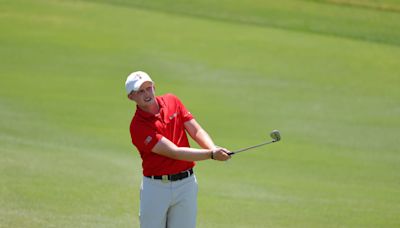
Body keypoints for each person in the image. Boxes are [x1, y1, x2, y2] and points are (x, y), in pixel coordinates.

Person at [125, 71, 231, 228]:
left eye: (149, 88)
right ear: (131, 97)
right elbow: (174, 152)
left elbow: (196, 130)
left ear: (154, 86)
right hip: (156, 188)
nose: (147, 93)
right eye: (140, 91)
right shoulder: (138, 126)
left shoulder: (172, 101)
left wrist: (213, 147)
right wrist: (211, 155)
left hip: (186, 185)